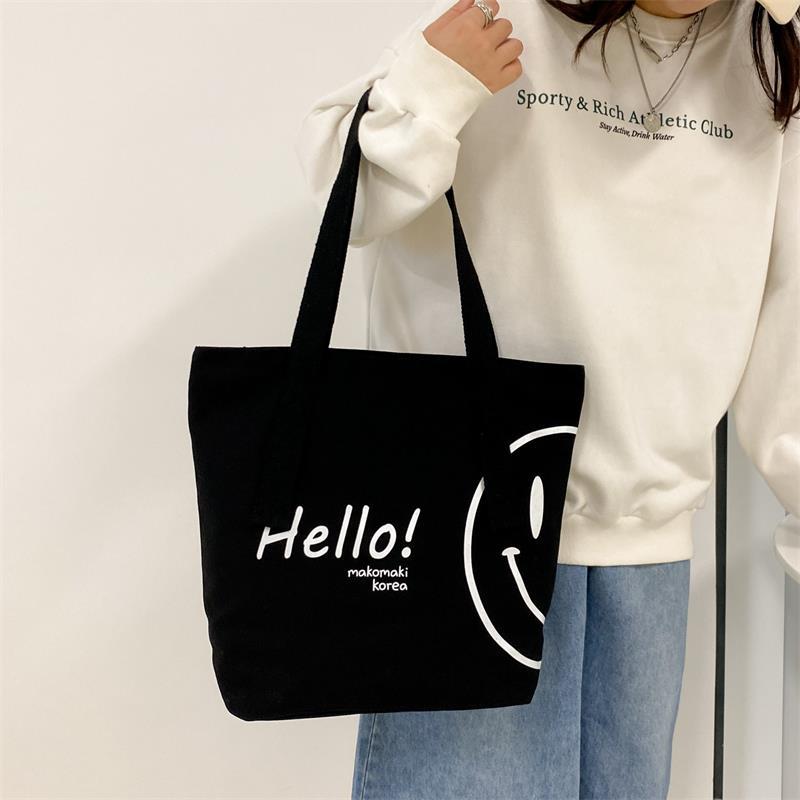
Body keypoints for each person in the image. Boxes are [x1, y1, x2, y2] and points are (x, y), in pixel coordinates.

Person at [292, 0, 800, 797]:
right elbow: (340, 203)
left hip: (648, 557)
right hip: (462, 537)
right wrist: (434, 85)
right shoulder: (506, 15)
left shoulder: (771, 63)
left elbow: (792, 340)